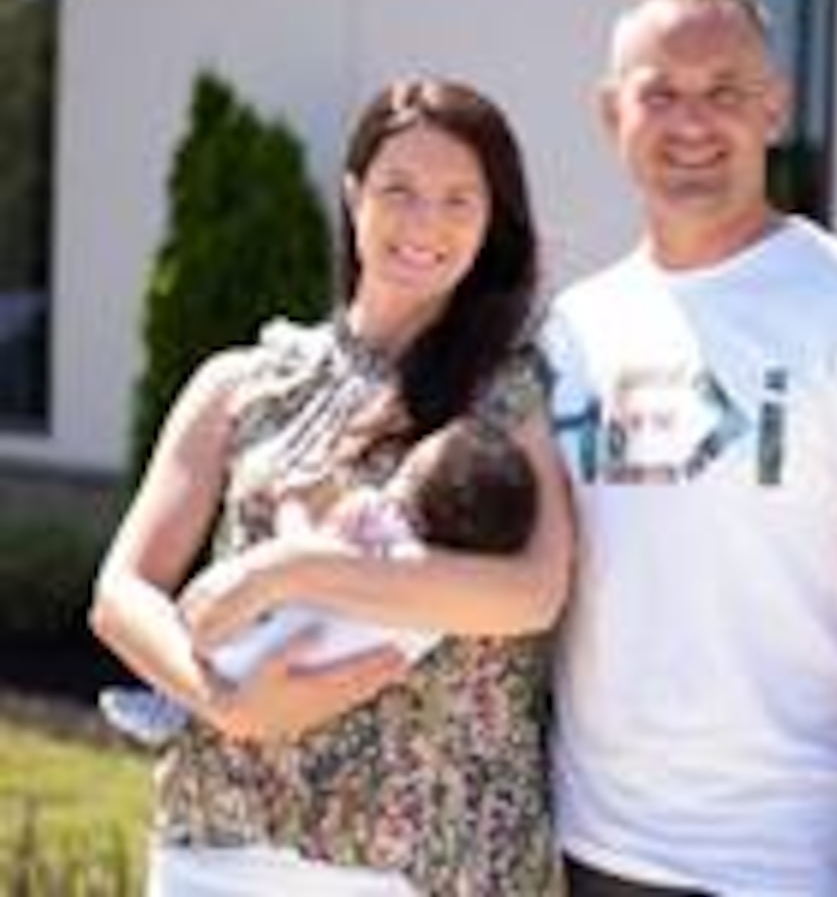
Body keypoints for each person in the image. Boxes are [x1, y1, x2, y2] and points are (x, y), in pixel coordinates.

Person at [541, 0, 837, 896]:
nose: (693, 122)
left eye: (726, 92)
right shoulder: (571, 329)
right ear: (612, 113)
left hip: (796, 861)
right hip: (595, 850)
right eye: (661, 94)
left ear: (775, 109)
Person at [90, 76, 574, 896]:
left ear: (493, 221)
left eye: (460, 199)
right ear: (352, 196)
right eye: (399, 190)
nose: (426, 222)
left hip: (425, 863)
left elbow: (530, 595)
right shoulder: (239, 383)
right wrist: (227, 703)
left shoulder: (512, 395)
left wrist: (287, 570)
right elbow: (120, 593)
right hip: (218, 849)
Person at [99, 414, 540, 749]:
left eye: (408, 471)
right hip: (331, 684)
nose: (393, 480)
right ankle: (174, 703)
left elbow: (306, 559)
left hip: (273, 653)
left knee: (221, 648)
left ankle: (171, 702)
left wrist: (292, 504)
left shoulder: (382, 532)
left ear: (421, 496)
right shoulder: (447, 599)